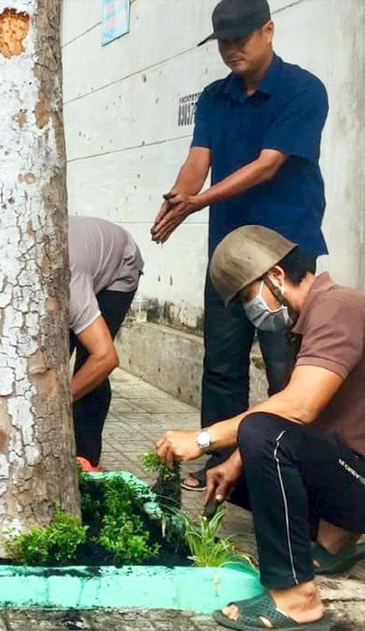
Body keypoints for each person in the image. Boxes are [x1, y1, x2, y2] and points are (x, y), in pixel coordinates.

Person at [150, 0, 329, 490]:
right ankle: (217, 464)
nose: (231, 51)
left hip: (283, 255)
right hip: (228, 256)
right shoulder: (214, 97)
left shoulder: (303, 90)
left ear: (268, 30)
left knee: (282, 368)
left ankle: (283, 470)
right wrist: (178, 198)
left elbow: (269, 164)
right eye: (223, 42)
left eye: (240, 39)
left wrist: (198, 201)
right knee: (221, 364)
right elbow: (198, 159)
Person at [156, 226, 365, 631]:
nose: (249, 312)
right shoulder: (309, 319)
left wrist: (203, 439)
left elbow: (299, 407)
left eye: (247, 298)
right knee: (243, 460)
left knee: (261, 434)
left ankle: (297, 598)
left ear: (275, 276)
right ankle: (335, 540)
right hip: (351, 471)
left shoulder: (339, 307)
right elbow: (301, 414)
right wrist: (234, 460)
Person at [67, 217, 143, 471]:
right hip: (86, 255)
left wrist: (56, 403)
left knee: (88, 366)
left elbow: (106, 359)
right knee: (51, 356)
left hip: (119, 266)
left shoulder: (70, 282)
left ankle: (87, 459)